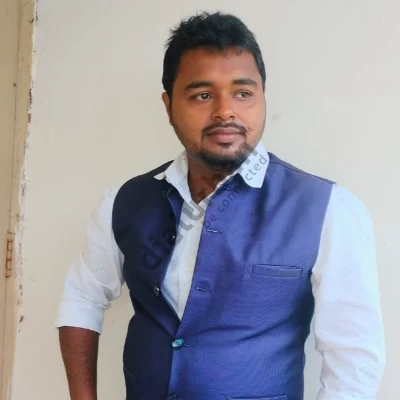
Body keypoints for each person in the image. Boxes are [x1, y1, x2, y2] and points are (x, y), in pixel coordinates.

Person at [56, 11, 385, 400]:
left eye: (243, 93)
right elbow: (83, 296)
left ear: (263, 98)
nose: (225, 111)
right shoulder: (125, 201)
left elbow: (352, 356)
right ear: (168, 105)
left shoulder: (327, 209)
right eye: (203, 95)